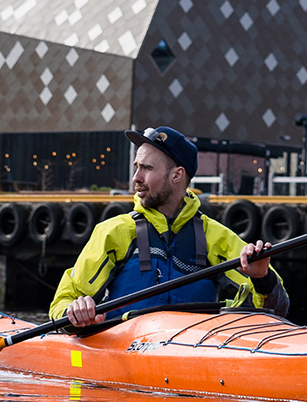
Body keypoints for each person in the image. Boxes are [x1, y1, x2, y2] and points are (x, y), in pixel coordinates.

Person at [53, 126, 289, 326]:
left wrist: (262, 278)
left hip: (192, 352)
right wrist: (73, 311)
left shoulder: (214, 236)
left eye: (147, 168)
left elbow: (278, 308)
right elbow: (63, 301)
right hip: (124, 349)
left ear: (177, 175)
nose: (136, 177)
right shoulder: (114, 232)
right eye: (137, 167)